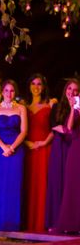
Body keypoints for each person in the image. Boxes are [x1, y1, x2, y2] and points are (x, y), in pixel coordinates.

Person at [0, 80, 27, 232]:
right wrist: (4, 146)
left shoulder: (21, 108)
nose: (9, 94)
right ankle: (0, 225)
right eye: (6, 90)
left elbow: (24, 131)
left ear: (15, 92)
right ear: (2, 92)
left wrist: (12, 147)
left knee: (14, 186)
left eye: (12, 91)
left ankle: (14, 225)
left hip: (16, 149)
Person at [45, 79, 79, 230]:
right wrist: (71, 112)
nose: (72, 92)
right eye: (69, 88)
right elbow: (59, 126)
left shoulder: (79, 106)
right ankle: (62, 222)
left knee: (73, 184)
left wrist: (64, 129)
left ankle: (72, 222)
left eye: (75, 90)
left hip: (74, 146)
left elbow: (67, 129)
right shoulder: (60, 106)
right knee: (63, 183)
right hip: (65, 147)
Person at [24, 74, 53, 232]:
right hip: (27, 149)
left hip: (44, 149)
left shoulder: (50, 105)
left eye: (39, 84)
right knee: (28, 184)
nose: (36, 87)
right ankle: (27, 223)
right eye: (33, 84)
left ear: (43, 87)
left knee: (43, 185)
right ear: (29, 86)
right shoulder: (23, 106)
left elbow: (55, 127)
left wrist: (44, 142)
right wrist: (26, 142)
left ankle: (42, 223)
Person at [54, 92, 80, 233]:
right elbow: (69, 128)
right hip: (76, 149)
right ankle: (72, 224)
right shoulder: (77, 107)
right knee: (73, 186)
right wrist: (72, 109)